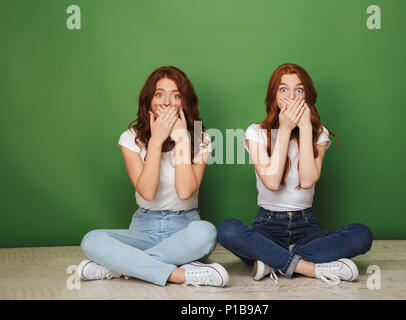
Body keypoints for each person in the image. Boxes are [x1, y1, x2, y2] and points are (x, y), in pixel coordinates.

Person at [217, 63, 373, 286]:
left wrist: (306, 127)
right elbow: (271, 181)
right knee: (228, 230)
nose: (291, 96)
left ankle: (271, 259)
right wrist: (285, 129)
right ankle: (306, 267)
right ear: (273, 96)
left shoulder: (319, 134)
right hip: (267, 226)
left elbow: (307, 180)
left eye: (298, 90)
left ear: (307, 96)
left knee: (362, 234)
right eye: (283, 90)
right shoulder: (256, 133)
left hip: (306, 227)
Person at [77, 66, 228, 287]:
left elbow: (185, 192)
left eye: (176, 95)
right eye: (159, 94)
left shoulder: (201, 138)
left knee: (207, 232)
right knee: (92, 240)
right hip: (143, 228)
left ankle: (122, 267)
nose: (167, 102)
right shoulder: (130, 139)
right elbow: (147, 192)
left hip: (185, 228)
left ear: (185, 103)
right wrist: (156, 142)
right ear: (149, 101)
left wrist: (182, 140)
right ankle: (178, 273)